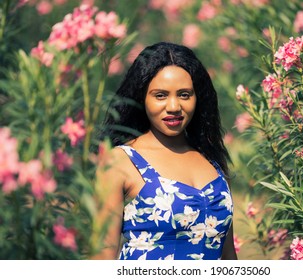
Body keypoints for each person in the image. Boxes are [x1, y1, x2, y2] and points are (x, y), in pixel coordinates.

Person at [92, 42, 237, 260]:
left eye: (184, 95)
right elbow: (100, 260)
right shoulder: (120, 161)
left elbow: (229, 258)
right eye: (160, 95)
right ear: (142, 98)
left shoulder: (211, 159)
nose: (173, 106)